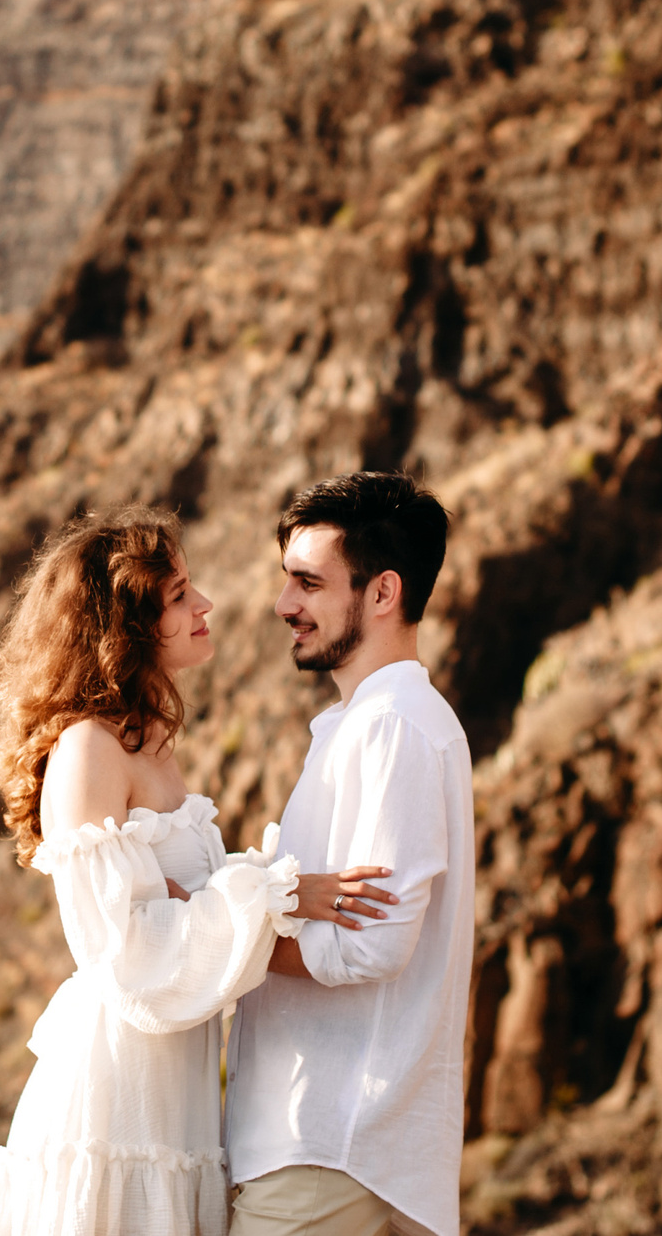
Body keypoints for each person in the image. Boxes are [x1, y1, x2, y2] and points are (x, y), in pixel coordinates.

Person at [0, 505, 400, 1236]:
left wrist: (221, 896)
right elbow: (129, 959)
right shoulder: (88, 750)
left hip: (175, 1092)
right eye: (178, 596)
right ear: (123, 626)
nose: (206, 605)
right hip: (117, 1100)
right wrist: (270, 893)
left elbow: (181, 911)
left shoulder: (146, 742)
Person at [225, 472, 471, 1236]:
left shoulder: (392, 725)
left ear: (382, 592)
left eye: (308, 582)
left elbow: (374, 942)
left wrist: (235, 933)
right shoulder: (367, 723)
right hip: (332, 1145)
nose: (283, 604)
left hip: (330, 1147)